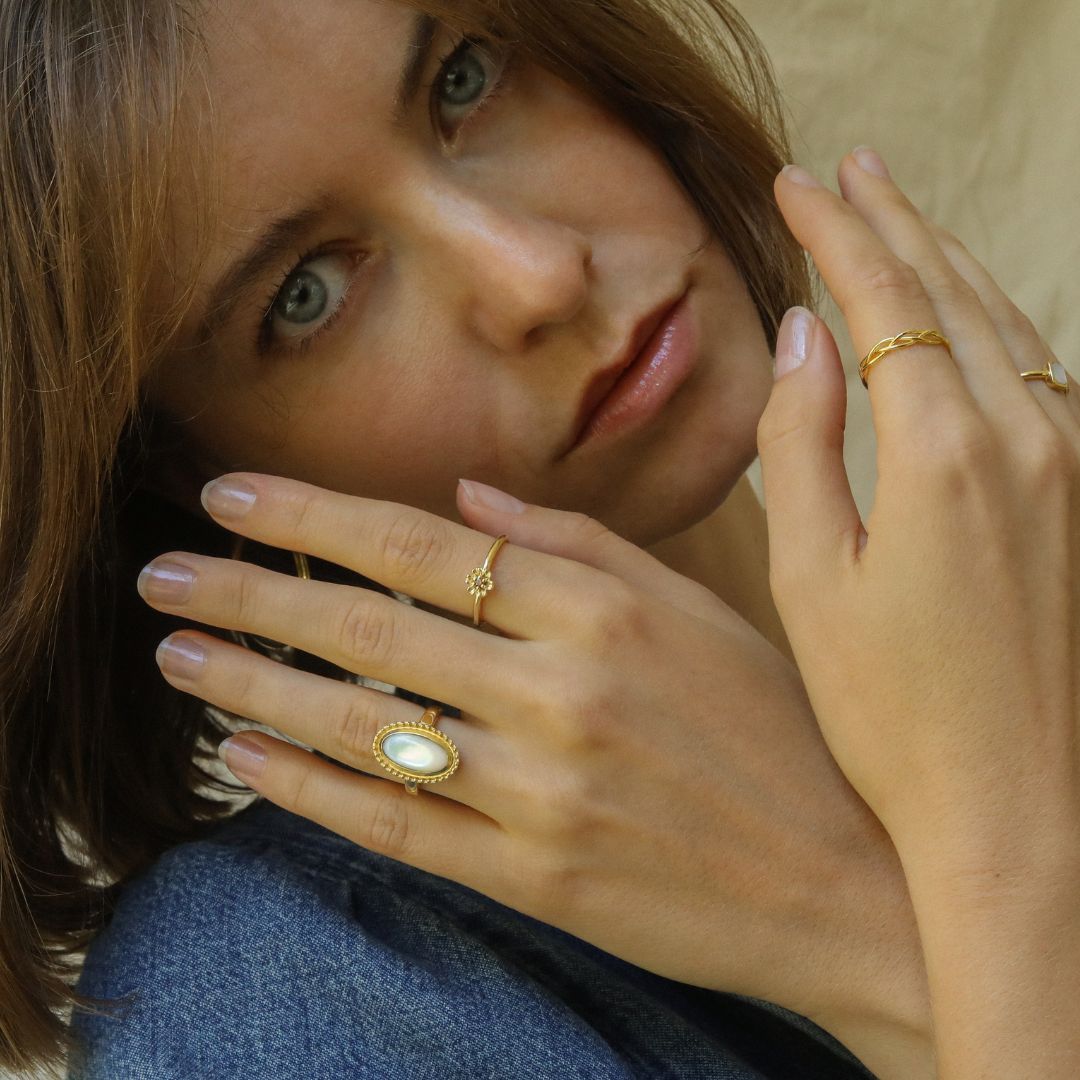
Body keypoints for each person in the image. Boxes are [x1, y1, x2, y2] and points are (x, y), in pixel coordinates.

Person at [1, 1, 1075, 1077]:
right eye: (307, 294)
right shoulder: (289, 982)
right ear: (188, 472)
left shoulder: (1031, 604)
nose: (538, 276)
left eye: (463, 81)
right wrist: (904, 945)